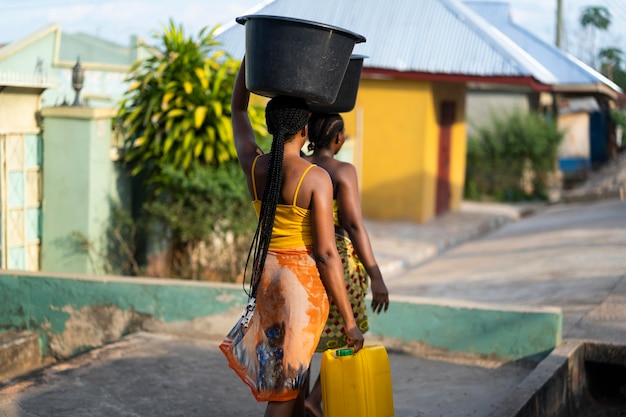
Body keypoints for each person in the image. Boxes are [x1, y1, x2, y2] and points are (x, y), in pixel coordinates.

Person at [219, 58, 365, 417]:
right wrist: (349, 321)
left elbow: (237, 108)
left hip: (266, 279)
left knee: (293, 385)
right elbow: (329, 255)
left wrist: (250, 58)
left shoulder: (254, 164)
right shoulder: (315, 179)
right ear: (304, 130)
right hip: (300, 288)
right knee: (285, 393)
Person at [303, 112, 390, 417]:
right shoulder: (343, 171)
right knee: (344, 334)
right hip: (338, 258)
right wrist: (376, 275)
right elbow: (354, 225)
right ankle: (314, 400)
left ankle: (304, 401)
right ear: (338, 138)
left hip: (304, 256)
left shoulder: (301, 166)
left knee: (308, 340)